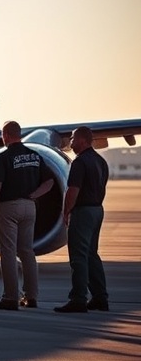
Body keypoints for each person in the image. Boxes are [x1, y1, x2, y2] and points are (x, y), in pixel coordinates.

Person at [0, 121, 54, 311]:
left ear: (5, 135)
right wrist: (35, 195)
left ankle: (10, 297)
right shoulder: (35, 156)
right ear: (19, 134)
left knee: (8, 252)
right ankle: (32, 296)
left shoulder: (4, 157)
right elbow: (50, 182)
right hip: (30, 207)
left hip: (8, 207)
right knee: (27, 251)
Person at [54, 126, 110, 313]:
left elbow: (73, 190)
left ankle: (78, 299)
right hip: (97, 210)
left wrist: (66, 211)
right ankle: (100, 297)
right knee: (92, 254)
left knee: (78, 257)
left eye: (72, 138)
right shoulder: (100, 161)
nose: (70, 142)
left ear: (82, 140)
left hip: (83, 212)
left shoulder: (79, 163)